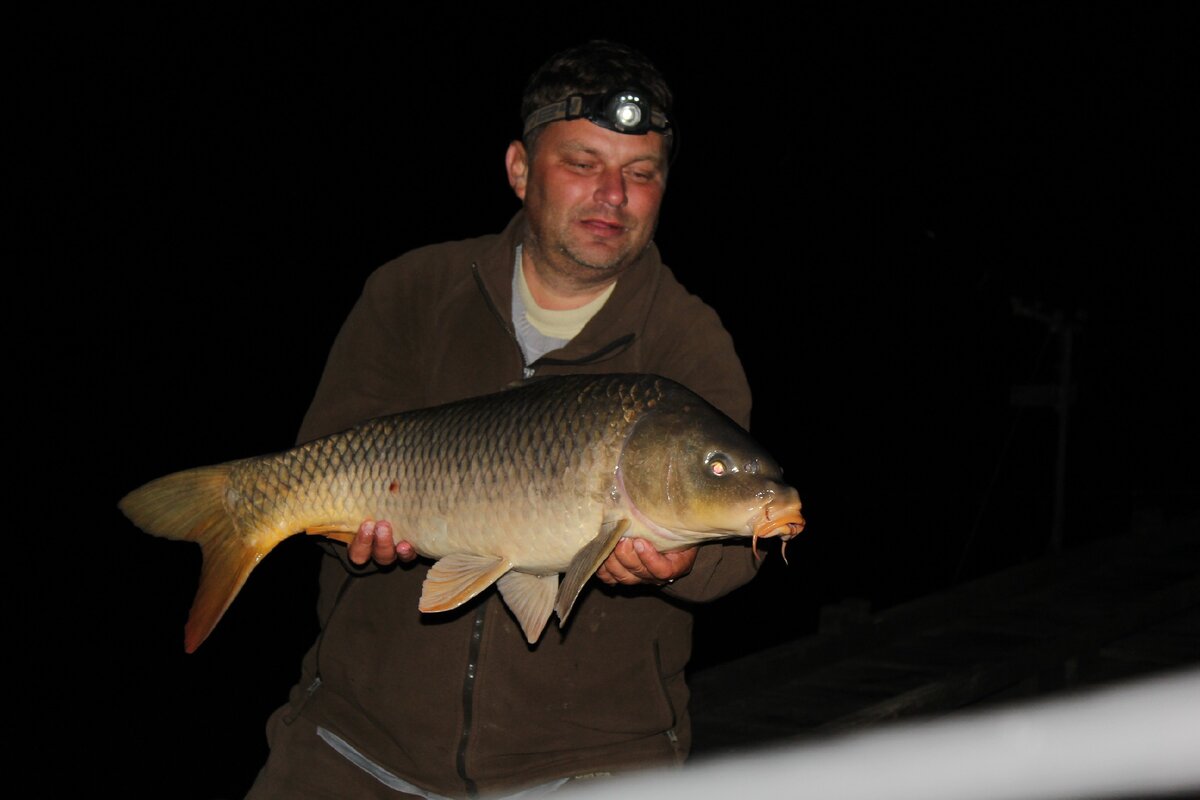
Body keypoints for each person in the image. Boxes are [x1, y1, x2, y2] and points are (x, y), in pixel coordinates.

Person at [246, 40, 757, 800]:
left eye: (641, 174)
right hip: (358, 741)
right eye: (583, 163)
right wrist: (352, 535)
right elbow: (329, 457)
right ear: (520, 169)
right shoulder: (413, 292)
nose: (612, 196)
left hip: (589, 761)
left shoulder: (688, 342)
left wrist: (688, 562)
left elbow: (739, 540)